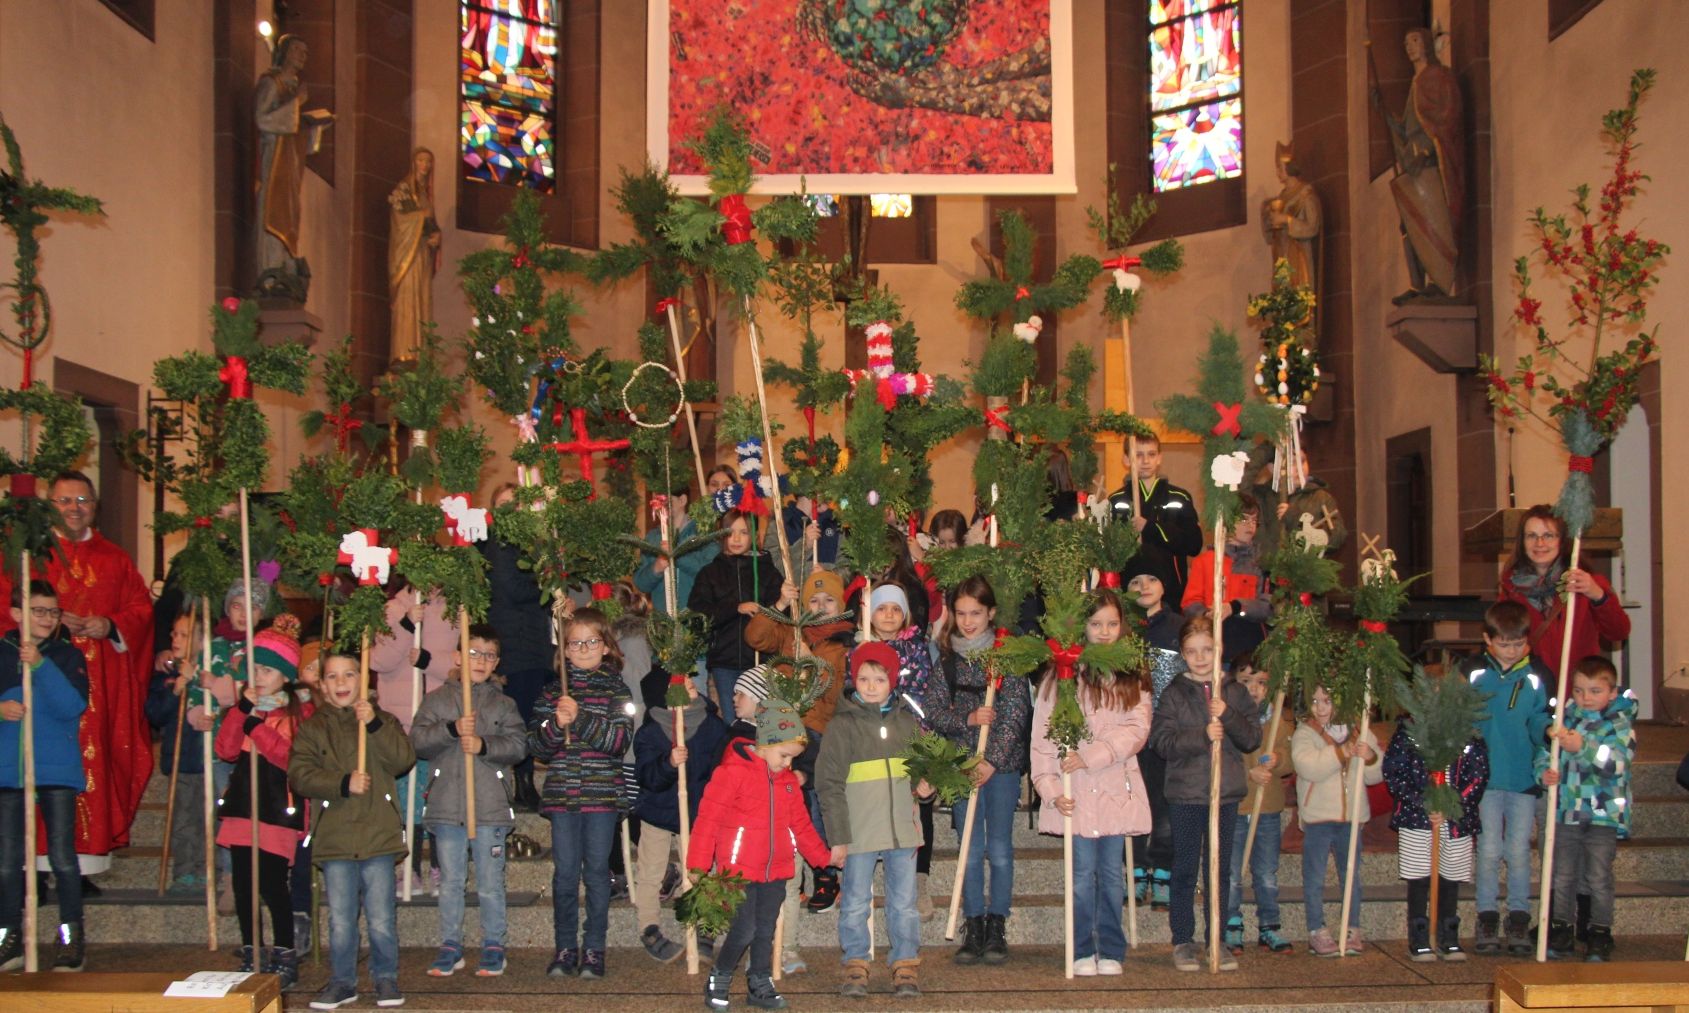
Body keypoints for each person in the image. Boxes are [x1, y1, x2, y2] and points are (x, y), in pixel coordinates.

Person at [0, 472, 154, 886]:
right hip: (35, 685)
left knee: (91, 762)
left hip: (96, 684)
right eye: (65, 500)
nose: (74, 507)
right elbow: (5, 609)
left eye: (82, 499)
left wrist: (109, 624)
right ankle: (33, 866)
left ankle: (79, 867)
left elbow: (141, 610)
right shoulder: (28, 554)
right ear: (51, 504)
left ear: (95, 506)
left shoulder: (115, 559)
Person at [1029, 590, 1151, 975]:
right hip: (1076, 793)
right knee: (1081, 876)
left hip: (1116, 790)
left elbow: (1138, 727)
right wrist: (1049, 790)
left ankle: (1111, 948)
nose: (1104, 631)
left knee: (1113, 876)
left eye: (1112, 624)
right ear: (1083, 626)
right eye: (1096, 624)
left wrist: (1095, 754)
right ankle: (1082, 947)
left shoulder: (1132, 673)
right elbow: (1043, 738)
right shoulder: (1061, 675)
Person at [290, 645, 416, 1011]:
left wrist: (373, 724)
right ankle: (343, 981)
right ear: (322, 685)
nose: (341, 682)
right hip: (337, 838)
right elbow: (300, 774)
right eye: (332, 676)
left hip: (377, 834)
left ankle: (385, 976)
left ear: (363, 680)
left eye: (349, 675)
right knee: (342, 920)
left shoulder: (382, 721)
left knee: (380, 917)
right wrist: (342, 783)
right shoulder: (314, 728)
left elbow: (403, 759)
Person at [690, 698, 831, 1012]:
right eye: (783, 756)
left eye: (792, 759)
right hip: (738, 868)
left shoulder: (787, 783)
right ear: (765, 743)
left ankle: (759, 981)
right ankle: (720, 974)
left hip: (776, 868)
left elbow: (801, 826)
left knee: (766, 929)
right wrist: (698, 864)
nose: (787, 765)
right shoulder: (731, 773)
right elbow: (708, 819)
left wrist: (823, 859)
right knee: (745, 928)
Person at [411, 624, 528, 979]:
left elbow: (519, 746)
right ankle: (450, 944)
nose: (481, 661)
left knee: (491, 881)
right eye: (474, 653)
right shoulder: (436, 700)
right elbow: (416, 741)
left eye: (489, 655)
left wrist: (484, 745)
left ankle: (494, 943)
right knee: (450, 881)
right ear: (459, 657)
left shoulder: (503, 703)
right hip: (447, 806)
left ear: (497, 662)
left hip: (489, 805)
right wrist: (449, 730)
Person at [817, 642, 932, 999]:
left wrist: (927, 788)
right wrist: (838, 835)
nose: (870, 685)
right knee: (854, 900)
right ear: (853, 680)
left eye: (879, 679)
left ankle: (906, 963)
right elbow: (829, 784)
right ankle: (855, 962)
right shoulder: (841, 726)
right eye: (863, 678)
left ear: (892, 682)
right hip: (859, 832)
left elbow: (923, 772)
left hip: (901, 829)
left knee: (903, 902)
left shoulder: (908, 724)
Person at [927, 576, 1031, 964]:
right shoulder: (948, 660)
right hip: (960, 767)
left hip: (999, 767)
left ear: (990, 613)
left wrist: (992, 760)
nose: (968, 621)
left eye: (976, 613)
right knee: (969, 848)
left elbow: (1016, 713)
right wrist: (967, 719)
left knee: (1000, 847)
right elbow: (935, 711)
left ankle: (997, 923)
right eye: (961, 613)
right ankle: (973, 922)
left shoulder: (1007, 658)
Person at [1148, 616, 1259, 972]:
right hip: (1186, 795)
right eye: (1192, 651)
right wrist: (1201, 735)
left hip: (1223, 795)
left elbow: (1251, 739)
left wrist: (1227, 715)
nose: (1199, 657)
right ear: (1182, 653)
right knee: (1184, 869)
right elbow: (1162, 742)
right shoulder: (1175, 692)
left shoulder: (1234, 692)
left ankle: (1217, 939)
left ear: (1219, 650)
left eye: (1207, 650)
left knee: (1219, 870)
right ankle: (1183, 939)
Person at [529, 608, 634, 981]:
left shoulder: (617, 690)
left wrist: (583, 719)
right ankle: (564, 946)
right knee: (564, 875)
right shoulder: (552, 691)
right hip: (562, 796)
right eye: (577, 643)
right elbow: (537, 747)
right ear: (566, 650)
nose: (585, 648)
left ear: (606, 647)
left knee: (596, 875)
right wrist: (557, 723)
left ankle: (594, 947)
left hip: (602, 797)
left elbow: (619, 741)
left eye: (592, 641)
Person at [747, 568, 854, 919]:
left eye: (828, 601)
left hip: (817, 733)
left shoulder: (842, 645)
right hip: (780, 733)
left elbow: (831, 697)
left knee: (811, 800)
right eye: (813, 600)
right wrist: (779, 603)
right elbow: (756, 637)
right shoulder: (791, 631)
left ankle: (823, 871)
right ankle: (792, 868)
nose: (820, 607)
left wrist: (808, 661)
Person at [0, 580, 90, 972]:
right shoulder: (1, 652)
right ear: (17, 613)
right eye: (39, 611)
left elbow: (73, 706)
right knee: (5, 862)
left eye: (53, 612)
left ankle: (71, 937)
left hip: (55, 766)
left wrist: (40, 665)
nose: (47, 619)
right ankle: (7, 937)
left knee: (62, 859)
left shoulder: (67, 655)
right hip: (8, 767)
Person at [216, 627, 312, 987]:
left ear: (285, 677)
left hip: (275, 811)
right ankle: (251, 949)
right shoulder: (245, 709)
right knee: (244, 884)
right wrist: (242, 713)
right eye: (255, 670)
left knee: (273, 885)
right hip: (243, 807)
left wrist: (258, 727)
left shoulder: (297, 713)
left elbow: (290, 758)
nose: (258, 677)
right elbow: (224, 749)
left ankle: (285, 953)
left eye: (267, 671)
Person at [1457, 598, 1552, 956]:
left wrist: (1549, 732)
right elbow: (1461, 713)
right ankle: (1486, 915)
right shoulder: (1475, 674)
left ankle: (1517, 916)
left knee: (1518, 850)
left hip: (1523, 778)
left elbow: (1539, 716)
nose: (1512, 650)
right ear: (1488, 640)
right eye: (1504, 643)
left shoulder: (1535, 676)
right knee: (1489, 850)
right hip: (1485, 778)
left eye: (1518, 643)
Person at [1539, 655, 1635, 962]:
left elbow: (1617, 764)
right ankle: (1562, 929)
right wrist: (1544, 772)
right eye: (1579, 691)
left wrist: (1583, 747)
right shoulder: (1564, 720)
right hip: (1567, 810)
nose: (1586, 698)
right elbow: (1545, 755)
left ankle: (1599, 932)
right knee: (1562, 875)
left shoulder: (1620, 725)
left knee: (1598, 877)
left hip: (1602, 815)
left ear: (1611, 692)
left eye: (1594, 691)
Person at [632, 665, 729, 964]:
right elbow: (646, 775)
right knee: (651, 871)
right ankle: (648, 926)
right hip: (658, 810)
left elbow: (721, 767)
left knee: (700, 871)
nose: (690, 685)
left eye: (690, 681)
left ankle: (705, 925)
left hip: (698, 811)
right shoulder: (651, 732)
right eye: (681, 683)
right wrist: (668, 763)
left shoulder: (711, 725)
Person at [1383, 688, 1488, 962]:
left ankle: (1447, 934)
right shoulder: (1408, 734)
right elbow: (1394, 772)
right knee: (1419, 878)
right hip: (1419, 819)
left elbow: (1478, 775)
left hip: (1455, 820)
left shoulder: (1469, 736)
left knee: (1450, 878)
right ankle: (1419, 935)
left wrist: (1453, 805)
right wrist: (1424, 802)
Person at [856, 582, 939, 916]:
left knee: (919, 808)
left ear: (905, 614)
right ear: (870, 614)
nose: (888, 615)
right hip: (872, 740)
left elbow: (921, 689)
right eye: (881, 608)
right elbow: (854, 691)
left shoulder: (918, 649)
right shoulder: (860, 647)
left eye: (895, 609)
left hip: (911, 734)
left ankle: (919, 879)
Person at [1291, 683, 1383, 957]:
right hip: (1319, 816)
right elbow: (1308, 766)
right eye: (1315, 701)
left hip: (1351, 817)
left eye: (1327, 701)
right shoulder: (1305, 733)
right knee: (1315, 876)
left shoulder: (1360, 730)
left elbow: (1375, 776)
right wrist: (1341, 753)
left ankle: (1351, 927)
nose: (1320, 708)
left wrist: (1371, 758)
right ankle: (1316, 929)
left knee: (1351, 875)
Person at [1498, 505, 1631, 683]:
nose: (1540, 544)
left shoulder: (1588, 583)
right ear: (1522, 542)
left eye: (1548, 535)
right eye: (1531, 536)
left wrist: (1599, 596)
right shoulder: (1511, 588)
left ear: (1562, 540)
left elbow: (1618, 632)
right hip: (1530, 690)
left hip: (1575, 691)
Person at [480, 482, 552, 813]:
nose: (512, 509)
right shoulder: (498, 542)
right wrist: (548, 578)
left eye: (517, 503)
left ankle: (524, 781)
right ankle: (522, 783)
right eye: (504, 503)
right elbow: (512, 588)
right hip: (514, 646)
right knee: (518, 717)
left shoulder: (526, 542)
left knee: (529, 716)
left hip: (532, 644)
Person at [1224, 652, 1294, 956]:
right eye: (1246, 681)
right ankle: (1232, 923)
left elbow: (1288, 760)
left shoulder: (1278, 723)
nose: (1254, 688)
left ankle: (1269, 925)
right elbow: (1221, 762)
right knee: (1232, 872)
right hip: (1238, 806)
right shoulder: (1228, 720)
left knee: (1266, 872)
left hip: (1267, 809)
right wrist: (1247, 773)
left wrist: (1277, 762)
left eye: (1262, 682)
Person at [254, 34, 332, 300]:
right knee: (273, 214)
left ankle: (286, 269)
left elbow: (303, 143)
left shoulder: (293, 87)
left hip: (290, 168)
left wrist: (313, 126)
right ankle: (271, 272)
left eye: (306, 52)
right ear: (284, 52)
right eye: (298, 50)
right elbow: (263, 120)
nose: (303, 56)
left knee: (289, 216)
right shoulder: (272, 83)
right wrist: (297, 104)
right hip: (273, 165)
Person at [1123, 559, 1182, 911]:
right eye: (1135, 581)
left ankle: (1162, 867)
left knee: (1162, 802)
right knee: (1132, 799)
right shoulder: (1122, 630)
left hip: (1165, 732)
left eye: (1152, 577)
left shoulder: (1177, 627)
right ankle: (1134, 866)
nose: (1144, 586)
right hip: (1129, 733)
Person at [145, 608, 215, 895]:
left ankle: (207, 867)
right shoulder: (166, 676)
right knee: (184, 818)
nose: (175, 638)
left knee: (208, 817)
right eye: (174, 633)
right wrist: (177, 689)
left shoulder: (211, 674)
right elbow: (155, 714)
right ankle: (185, 870)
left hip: (210, 759)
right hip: (181, 760)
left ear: (202, 641)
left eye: (184, 634)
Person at [690, 509, 783, 709]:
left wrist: (766, 612)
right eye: (730, 532)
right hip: (725, 661)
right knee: (733, 718)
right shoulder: (710, 573)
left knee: (763, 717)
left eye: (744, 532)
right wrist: (736, 608)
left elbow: (782, 612)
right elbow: (698, 614)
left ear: (754, 535)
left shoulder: (768, 571)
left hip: (761, 659)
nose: (736, 538)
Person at [1107, 434, 1203, 605]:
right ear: (1127, 459)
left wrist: (1151, 528)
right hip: (1131, 594)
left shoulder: (1179, 498)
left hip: (1171, 593)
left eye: (1151, 454)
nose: (1145, 461)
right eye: (1138, 455)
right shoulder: (1116, 501)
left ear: (1159, 458)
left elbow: (1194, 545)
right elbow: (1110, 551)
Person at [1181, 493, 1272, 664]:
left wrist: (1236, 607)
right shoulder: (1205, 561)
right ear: (1226, 520)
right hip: (1213, 644)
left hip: (1250, 647)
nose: (1250, 525)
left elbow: (1268, 606)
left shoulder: (1262, 562)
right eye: (1244, 519)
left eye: (1254, 520)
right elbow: (1189, 603)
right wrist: (1207, 615)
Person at [387, 146, 440, 363]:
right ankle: (404, 352)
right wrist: (421, 217)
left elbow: (432, 225)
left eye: (428, 161)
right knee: (407, 298)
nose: (425, 165)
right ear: (414, 163)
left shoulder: (426, 196)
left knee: (422, 300)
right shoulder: (404, 190)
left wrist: (436, 238)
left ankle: (421, 355)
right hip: (406, 257)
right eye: (421, 160)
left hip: (422, 257)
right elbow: (400, 222)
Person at [634, 485, 720, 617]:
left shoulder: (703, 534)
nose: (660, 506)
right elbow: (641, 584)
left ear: (682, 500)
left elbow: (711, 574)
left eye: (665, 501)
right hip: (663, 621)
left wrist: (676, 555)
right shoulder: (652, 537)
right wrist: (656, 568)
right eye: (656, 501)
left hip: (695, 619)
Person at [1261, 140, 1323, 296]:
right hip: (1283, 255)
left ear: (1289, 167)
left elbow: (1312, 226)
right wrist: (1268, 218)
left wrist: (1286, 220)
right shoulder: (1281, 197)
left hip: (1299, 256)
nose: (1277, 172)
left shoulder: (1305, 195)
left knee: (1299, 297)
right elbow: (1272, 237)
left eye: (1279, 167)